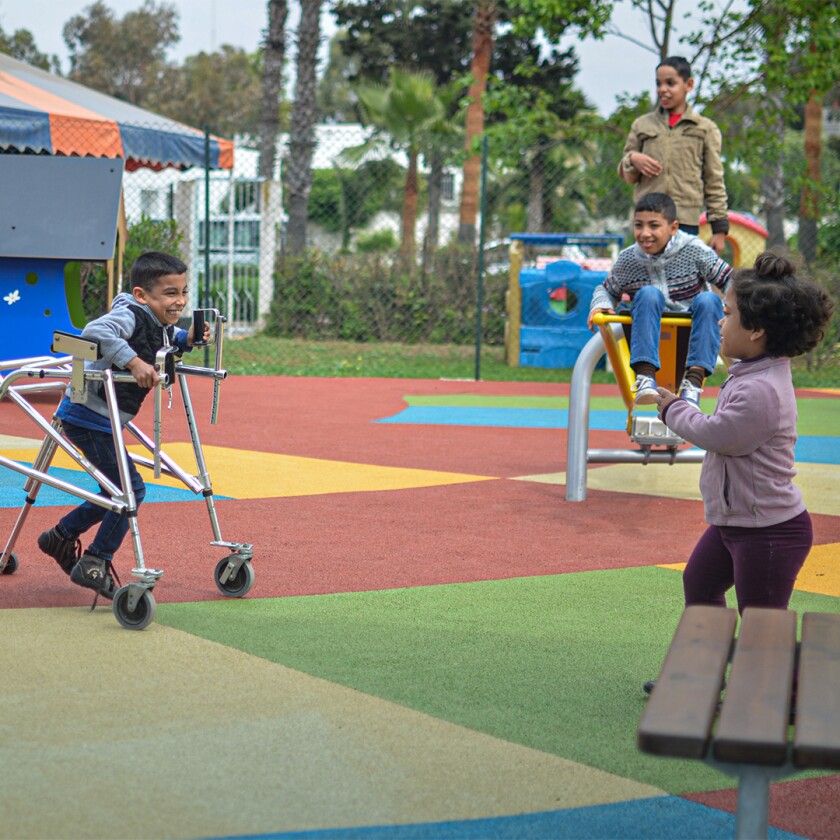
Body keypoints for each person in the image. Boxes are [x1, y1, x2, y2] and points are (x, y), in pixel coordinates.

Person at [656, 251, 834, 614]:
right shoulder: (752, 374)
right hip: (735, 521)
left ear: (756, 331)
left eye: (728, 314)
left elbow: (720, 434)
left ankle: (775, 672)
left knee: (760, 618)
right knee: (700, 585)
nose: (721, 324)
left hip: (769, 530)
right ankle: (703, 671)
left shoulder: (762, 389)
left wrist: (674, 408)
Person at [37, 251, 208, 602]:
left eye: (183, 292)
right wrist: (133, 362)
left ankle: (60, 536)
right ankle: (96, 559)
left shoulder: (154, 319)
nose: (179, 301)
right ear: (142, 295)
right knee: (130, 489)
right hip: (88, 418)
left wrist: (187, 339)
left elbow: (165, 337)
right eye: (170, 294)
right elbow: (94, 331)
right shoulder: (129, 314)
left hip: (105, 418)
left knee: (118, 491)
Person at [587, 192, 732, 407]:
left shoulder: (694, 250)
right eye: (639, 226)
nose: (645, 233)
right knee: (648, 293)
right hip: (647, 333)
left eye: (654, 226)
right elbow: (607, 289)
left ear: (673, 228)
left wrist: (734, 308)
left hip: (690, 334)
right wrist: (601, 305)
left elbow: (729, 279)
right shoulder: (628, 259)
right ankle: (645, 377)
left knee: (710, 299)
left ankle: (693, 383)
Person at [618, 55, 729, 254]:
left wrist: (719, 230)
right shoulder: (642, 125)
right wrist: (633, 159)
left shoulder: (705, 129)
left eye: (670, 83)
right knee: (647, 280)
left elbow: (714, 179)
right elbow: (627, 175)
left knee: (682, 281)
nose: (663, 89)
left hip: (685, 220)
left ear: (689, 84)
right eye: (658, 84)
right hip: (648, 222)